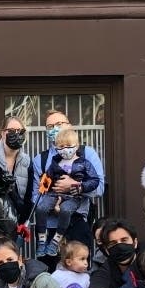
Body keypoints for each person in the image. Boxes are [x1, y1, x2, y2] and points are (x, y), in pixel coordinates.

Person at [30, 109, 106, 256]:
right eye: (50, 126)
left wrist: (73, 186)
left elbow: (100, 188)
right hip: (49, 227)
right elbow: (35, 196)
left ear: (70, 126)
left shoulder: (87, 153)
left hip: (77, 223)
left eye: (59, 124)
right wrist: (54, 205)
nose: (54, 129)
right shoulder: (41, 159)